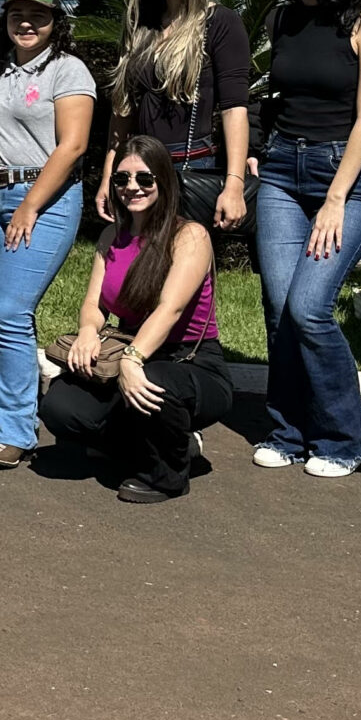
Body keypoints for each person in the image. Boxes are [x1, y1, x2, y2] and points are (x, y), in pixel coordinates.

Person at [251, 0, 361, 478]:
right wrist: (262, 147)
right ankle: (288, 432)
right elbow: (275, 94)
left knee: (310, 309)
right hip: (283, 172)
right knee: (280, 311)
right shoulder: (280, 19)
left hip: (345, 179)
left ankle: (348, 438)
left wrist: (335, 199)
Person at [40, 137, 230, 503]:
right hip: (129, 346)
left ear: (164, 181)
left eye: (145, 179)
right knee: (61, 406)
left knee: (153, 381)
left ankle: (169, 474)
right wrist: (87, 333)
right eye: (122, 179)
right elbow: (94, 303)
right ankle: (139, 444)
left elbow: (169, 309)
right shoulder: (112, 235)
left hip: (189, 361)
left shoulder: (190, 235)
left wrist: (133, 359)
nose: (132, 187)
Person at [0, 0, 99, 466]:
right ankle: (7, 408)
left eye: (39, 15)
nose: (27, 22)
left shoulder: (69, 70)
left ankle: (14, 430)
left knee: (9, 312)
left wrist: (31, 204)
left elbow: (74, 145)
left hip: (46, 198)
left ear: (55, 21)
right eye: (18, 13)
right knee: (7, 313)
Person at [105, 0, 249, 232]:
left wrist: (234, 183)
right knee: (140, 269)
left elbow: (235, 108)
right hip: (139, 170)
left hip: (193, 166)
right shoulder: (139, 26)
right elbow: (122, 110)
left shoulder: (220, 23)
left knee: (185, 266)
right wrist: (108, 175)